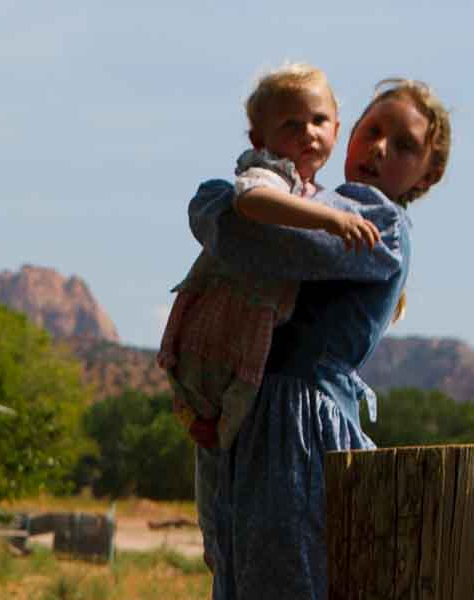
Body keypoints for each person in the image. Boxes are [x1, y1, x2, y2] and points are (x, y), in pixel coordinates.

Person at [158, 78, 453, 600]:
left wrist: (217, 208)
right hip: (243, 419)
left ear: (424, 173)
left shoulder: (379, 228)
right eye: (374, 130)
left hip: (297, 420)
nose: (381, 150)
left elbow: (243, 239)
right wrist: (222, 207)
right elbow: (226, 216)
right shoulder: (305, 199)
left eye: (405, 145)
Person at [158, 63, 382, 456]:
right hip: (227, 309)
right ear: (260, 138)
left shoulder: (316, 192)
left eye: (318, 120)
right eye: (291, 126)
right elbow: (251, 200)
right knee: (212, 388)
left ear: (337, 128)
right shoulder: (270, 172)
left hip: (259, 320)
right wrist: (330, 220)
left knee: (241, 405)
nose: (308, 133)